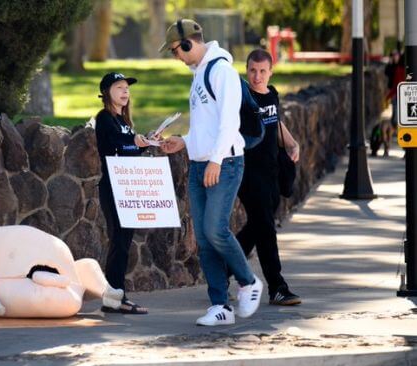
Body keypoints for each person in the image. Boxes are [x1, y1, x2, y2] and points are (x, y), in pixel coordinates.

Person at [159, 19, 262, 326]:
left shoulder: (222, 72)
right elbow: (206, 126)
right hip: (201, 162)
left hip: (225, 163)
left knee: (216, 230)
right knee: (204, 239)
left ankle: (248, 281)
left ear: (189, 43)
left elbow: (229, 123)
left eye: (176, 50)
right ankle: (221, 306)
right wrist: (185, 141)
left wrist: (216, 161)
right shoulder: (200, 74)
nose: (176, 57)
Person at [235, 49, 301, 306]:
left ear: (270, 71)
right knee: (265, 228)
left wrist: (292, 143)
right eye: (252, 70)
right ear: (246, 69)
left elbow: (275, 123)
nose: (257, 76)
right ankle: (277, 286)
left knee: (257, 226)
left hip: (272, 170)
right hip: (247, 172)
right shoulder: (242, 97)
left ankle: (225, 269)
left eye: (262, 71)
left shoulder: (271, 94)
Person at [95, 72, 151, 314]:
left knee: (124, 242)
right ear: (107, 92)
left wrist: (146, 143)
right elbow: (115, 147)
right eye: (119, 87)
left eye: (127, 88)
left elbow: (130, 150)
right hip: (113, 187)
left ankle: (115, 297)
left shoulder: (124, 122)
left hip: (127, 186)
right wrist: (135, 143)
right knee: (119, 241)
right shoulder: (105, 118)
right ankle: (116, 297)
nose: (125, 92)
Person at [379, 47, 405, 156]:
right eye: (393, 55)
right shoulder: (392, 68)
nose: (395, 57)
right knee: (392, 123)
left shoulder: (401, 69)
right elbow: (390, 79)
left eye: (396, 55)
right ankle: (387, 147)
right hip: (394, 96)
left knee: (398, 122)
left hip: (400, 96)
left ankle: (404, 148)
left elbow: (398, 85)